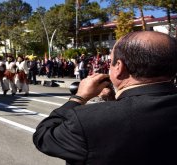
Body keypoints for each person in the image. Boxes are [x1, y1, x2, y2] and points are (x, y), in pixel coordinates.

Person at [33, 31, 177, 165]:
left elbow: (43, 137)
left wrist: (78, 98)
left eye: (112, 61)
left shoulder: (86, 121)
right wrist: (114, 102)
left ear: (119, 67)